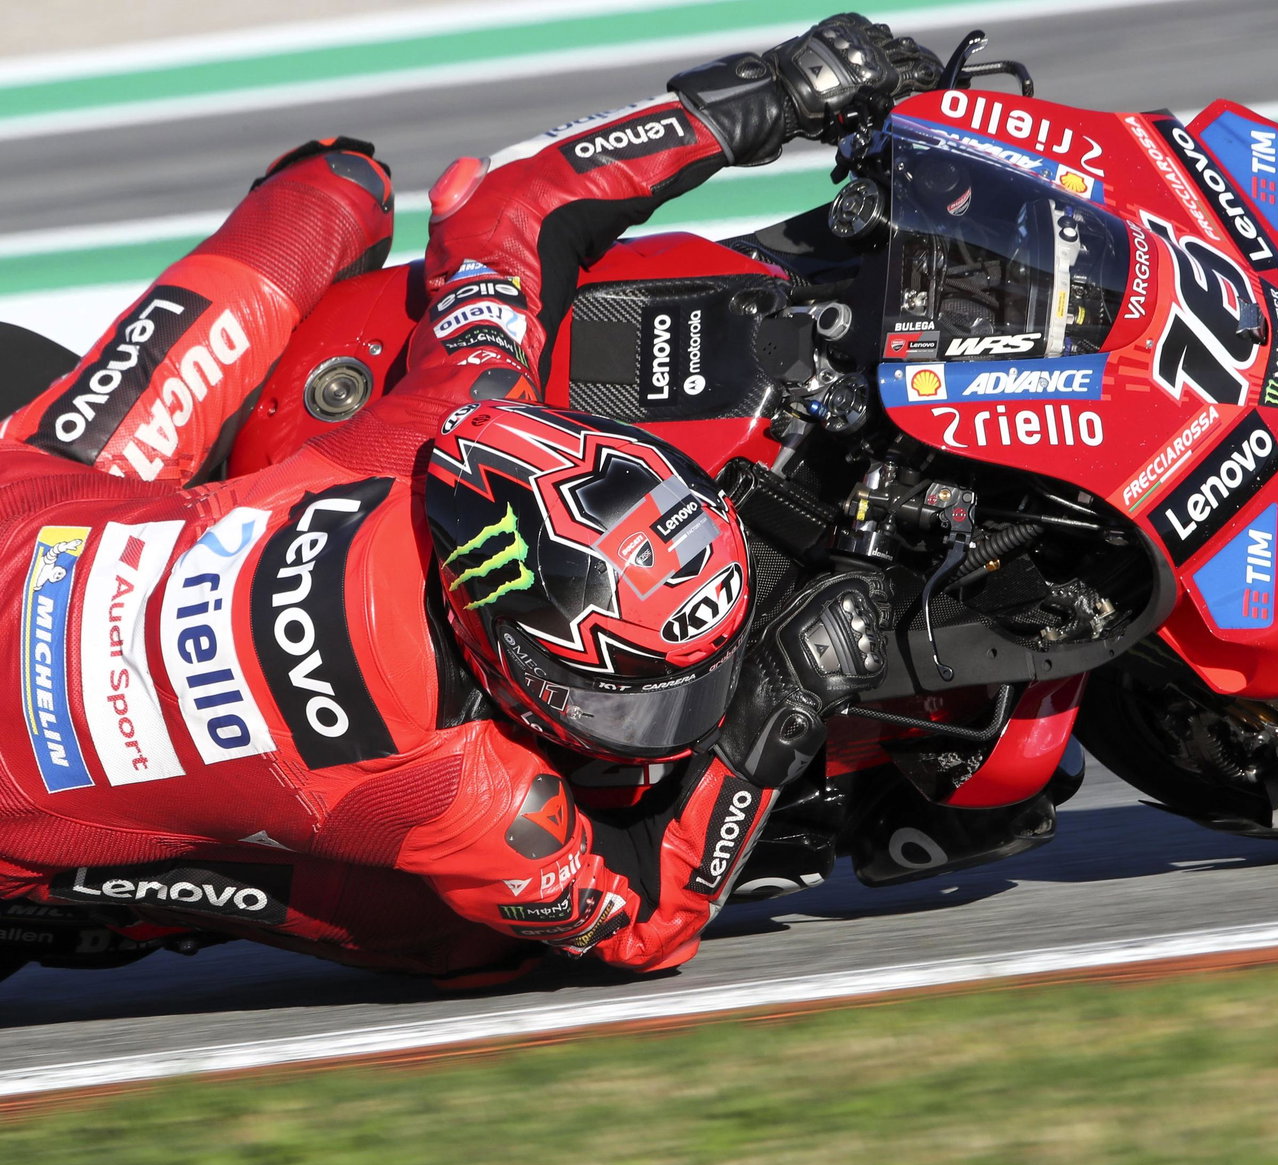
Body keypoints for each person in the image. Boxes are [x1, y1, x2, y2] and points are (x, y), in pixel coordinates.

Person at [0, 14, 937, 981]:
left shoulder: (449, 419)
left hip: (28, 502)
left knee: (337, 183)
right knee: (473, 942)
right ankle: (100, 903)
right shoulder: (456, 786)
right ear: (499, 643)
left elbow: (511, 198)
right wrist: (776, 704)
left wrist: (772, 92)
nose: (660, 721)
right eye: (621, 698)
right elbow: (641, 925)